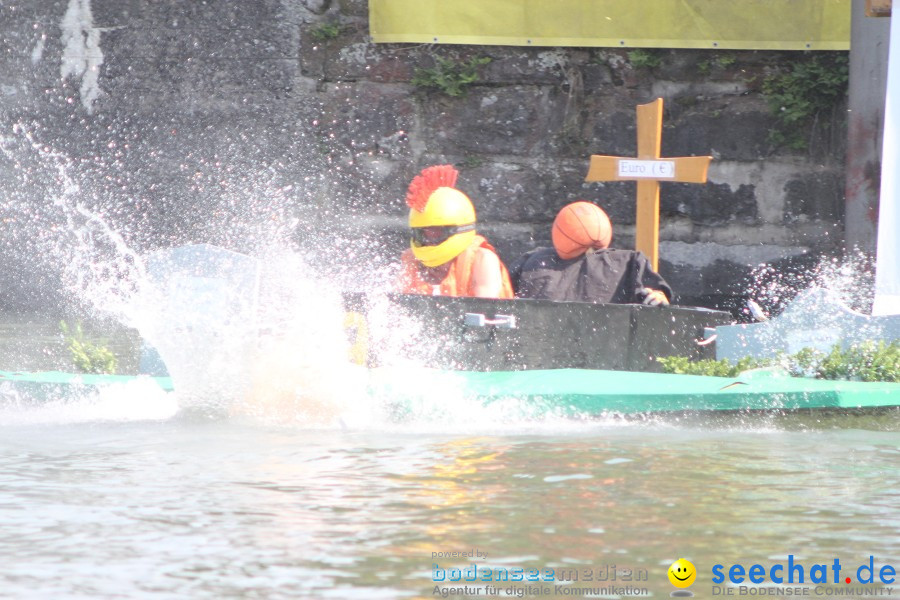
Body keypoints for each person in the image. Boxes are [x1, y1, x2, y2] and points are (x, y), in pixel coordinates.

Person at [510, 200, 672, 305]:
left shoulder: (532, 261)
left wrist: (658, 296)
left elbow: (502, 298)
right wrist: (658, 296)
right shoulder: (629, 262)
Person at [396, 165, 515, 299]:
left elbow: (486, 312)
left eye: (436, 232)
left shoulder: (482, 259)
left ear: (457, 230)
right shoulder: (411, 260)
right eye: (423, 234)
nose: (429, 240)